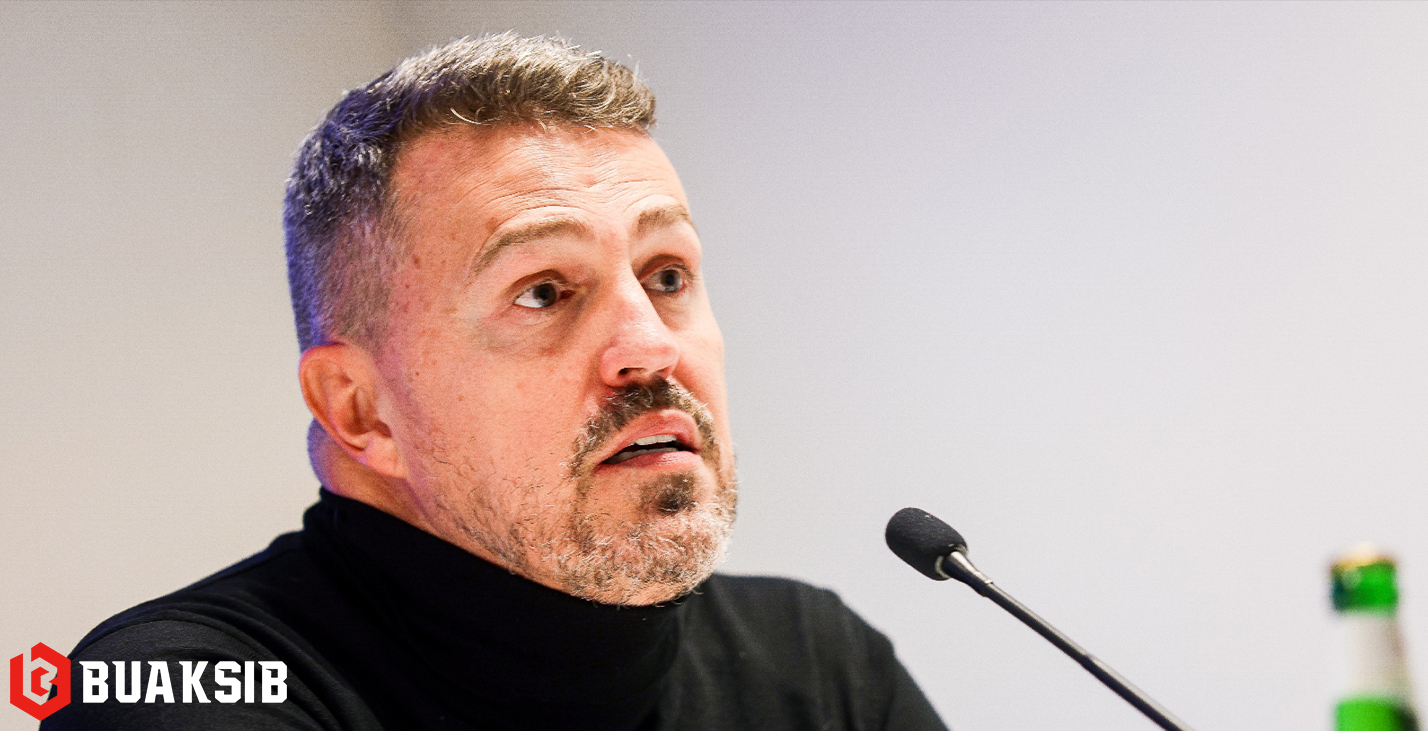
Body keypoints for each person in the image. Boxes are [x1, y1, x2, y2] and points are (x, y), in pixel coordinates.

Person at [43, 34, 948, 730]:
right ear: (360, 410)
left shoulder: (816, 664)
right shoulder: (185, 687)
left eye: (667, 275)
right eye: (544, 291)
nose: (649, 348)